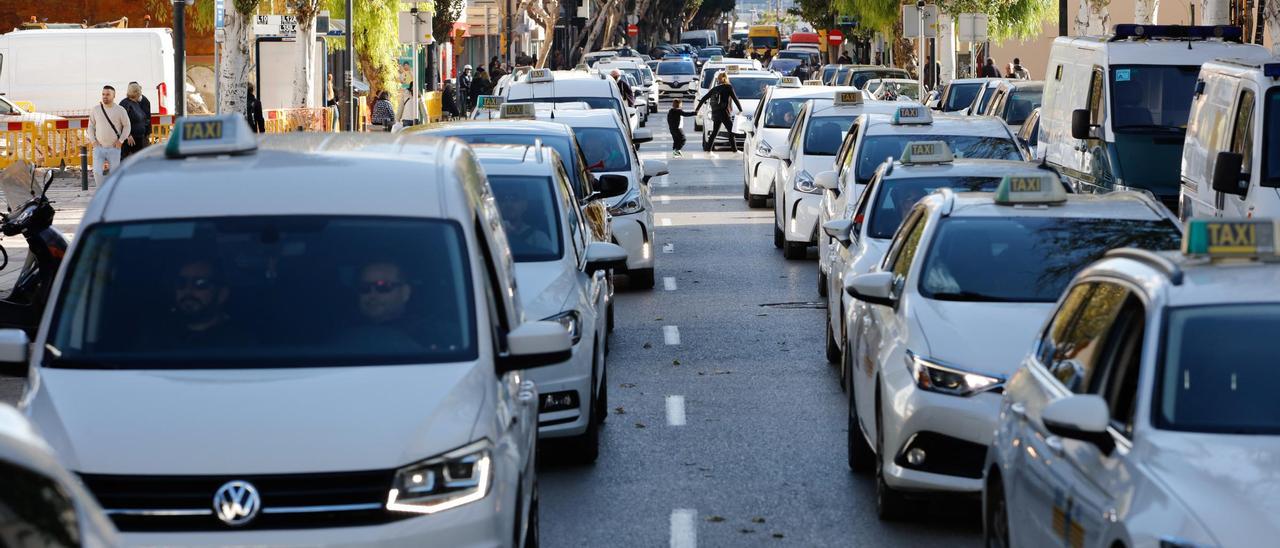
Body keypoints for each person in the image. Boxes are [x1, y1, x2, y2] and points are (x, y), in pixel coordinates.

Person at [164, 259, 241, 346]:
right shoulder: (159, 336)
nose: (188, 290)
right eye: (181, 283)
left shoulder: (241, 343)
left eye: (200, 283)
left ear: (222, 294)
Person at [87, 85, 130, 186]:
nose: (104, 96)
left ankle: (111, 192)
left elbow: (127, 126)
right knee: (97, 172)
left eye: (107, 94)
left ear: (114, 96)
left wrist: (121, 140)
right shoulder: (95, 110)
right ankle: (101, 191)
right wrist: (93, 141)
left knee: (114, 173)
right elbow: (90, 126)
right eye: (103, 94)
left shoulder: (120, 110)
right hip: (99, 147)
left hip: (114, 147)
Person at [695, 72, 743, 152]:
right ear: (725, 78)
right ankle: (734, 150)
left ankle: (708, 150)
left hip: (715, 113)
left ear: (719, 79)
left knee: (714, 132)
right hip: (724, 113)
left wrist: (697, 110)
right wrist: (740, 110)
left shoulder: (715, 89)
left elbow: (703, 99)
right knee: (732, 131)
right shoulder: (728, 87)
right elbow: (735, 99)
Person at [118, 81, 151, 160]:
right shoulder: (125, 103)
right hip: (130, 141)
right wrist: (128, 135)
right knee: (127, 162)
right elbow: (120, 121)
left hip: (139, 139)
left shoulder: (136, 103)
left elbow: (144, 118)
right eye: (139, 92)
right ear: (136, 93)